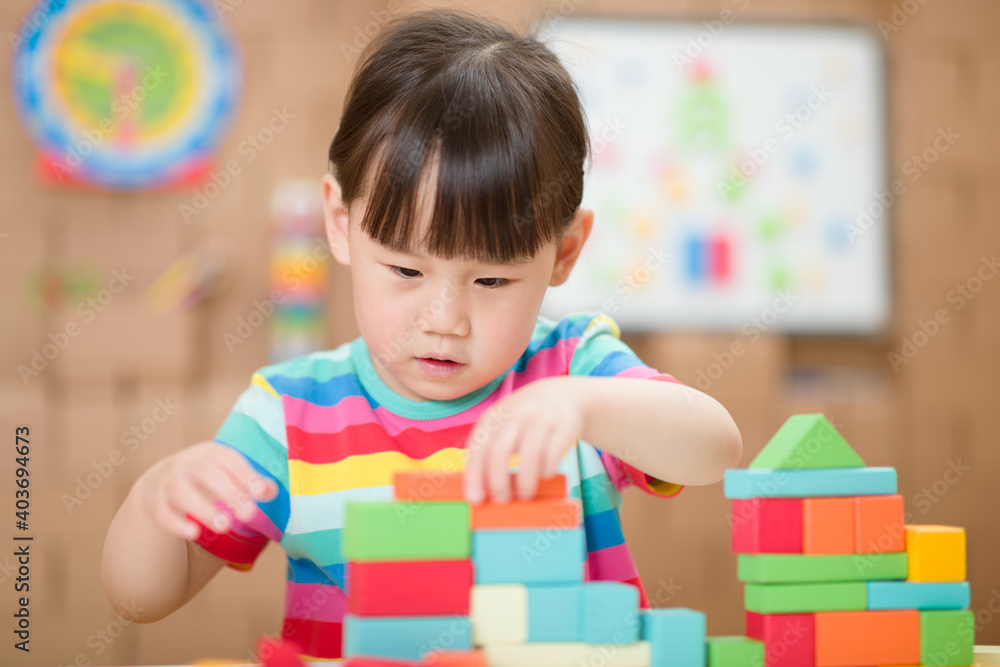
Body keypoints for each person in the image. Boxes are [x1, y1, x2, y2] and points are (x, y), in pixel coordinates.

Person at [102, 8, 742, 661]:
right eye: (406, 269)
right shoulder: (290, 416)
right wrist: (154, 503)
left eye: (490, 281)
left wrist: (586, 404)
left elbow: (714, 447)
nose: (443, 318)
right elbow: (143, 598)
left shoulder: (572, 369)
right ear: (340, 220)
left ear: (564, 251)